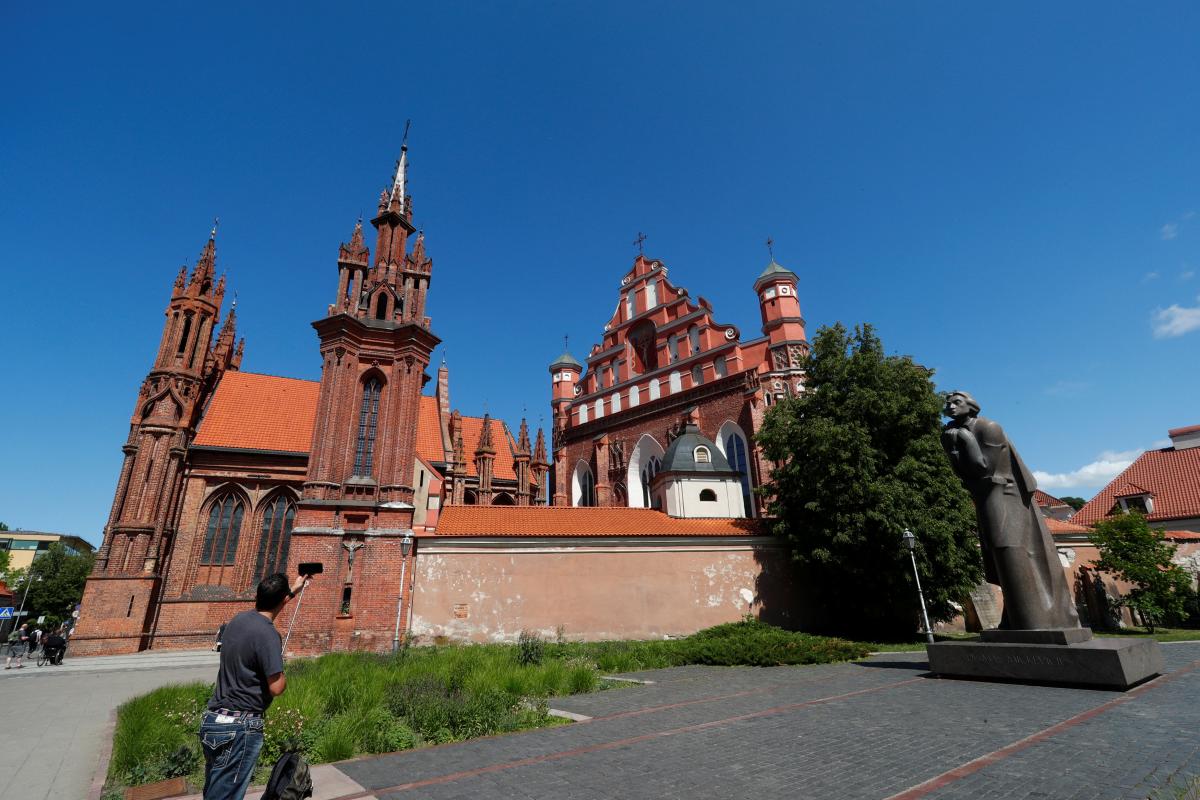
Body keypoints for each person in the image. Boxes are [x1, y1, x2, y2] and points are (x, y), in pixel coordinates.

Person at [941, 391, 1081, 631]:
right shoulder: (952, 432)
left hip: (1004, 495)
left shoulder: (989, 428)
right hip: (983, 496)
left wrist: (964, 439)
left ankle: (1032, 622)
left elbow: (984, 468)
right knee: (996, 552)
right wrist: (952, 448)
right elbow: (963, 474)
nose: (951, 406)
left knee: (1007, 546)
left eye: (957, 402)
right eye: (948, 403)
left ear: (971, 406)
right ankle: (1017, 619)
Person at [199, 571, 311, 800]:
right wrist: (281, 669)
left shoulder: (237, 621)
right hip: (241, 726)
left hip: (214, 720)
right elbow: (276, 687)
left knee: (215, 791)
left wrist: (293, 590)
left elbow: (269, 608)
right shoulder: (268, 634)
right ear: (282, 600)